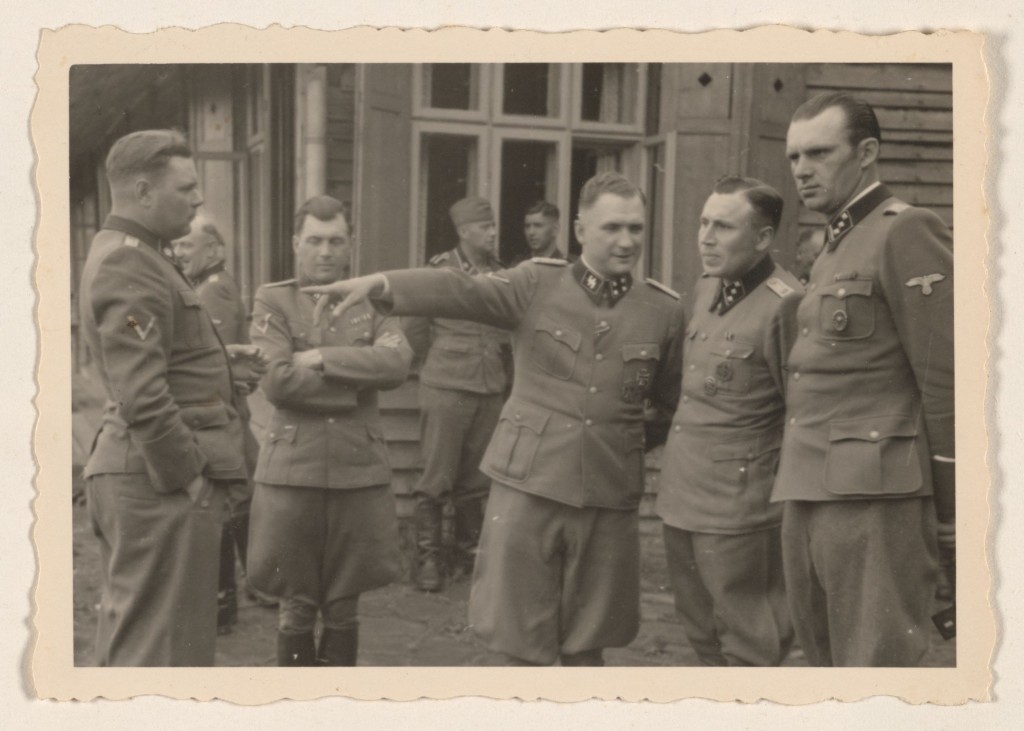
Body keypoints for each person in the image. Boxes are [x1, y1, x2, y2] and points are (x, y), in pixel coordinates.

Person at [305, 172, 686, 666]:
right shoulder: (536, 283)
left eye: (635, 228)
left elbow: (670, 404)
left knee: (590, 645)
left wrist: (618, 442)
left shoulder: (662, 310)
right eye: (612, 227)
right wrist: (379, 283)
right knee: (520, 641)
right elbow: (459, 289)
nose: (626, 241)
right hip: (530, 487)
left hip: (607, 494)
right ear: (579, 230)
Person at [776, 92, 954, 666]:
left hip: (876, 501)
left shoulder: (905, 231)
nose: (802, 170)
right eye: (794, 157)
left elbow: (946, 380)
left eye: (820, 153)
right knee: (826, 665)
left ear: (867, 152)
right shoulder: (833, 244)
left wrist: (953, 513)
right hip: (808, 487)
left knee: (875, 673)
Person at [78, 129, 265, 666]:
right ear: (142, 191)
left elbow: (155, 358)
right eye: (186, 188)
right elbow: (141, 392)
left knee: (143, 643)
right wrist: (189, 479)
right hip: (158, 484)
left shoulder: (138, 256)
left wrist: (223, 365)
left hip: (145, 477)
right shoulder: (129, 263)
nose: (198, 199)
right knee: (160, 656)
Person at [245, 195, 413, 666]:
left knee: (343, 604)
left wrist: (322, 358)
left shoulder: (374, 302)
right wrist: (356, 382)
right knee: (296, 605)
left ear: (350, 245)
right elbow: (277, 381)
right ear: (295, 243)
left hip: (356, 471)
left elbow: (397, 363)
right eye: (315, 241)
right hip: (293, 473)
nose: (325, 252)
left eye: (336, 241)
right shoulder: (273, 299)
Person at [656, 176, 801, 666]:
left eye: (723, 226)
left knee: (750, 641)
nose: (706, 238)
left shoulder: (787, 304)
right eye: (703, 223)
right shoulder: (705, 288)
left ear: (762, 238)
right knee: (700, 631)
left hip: (741, 508)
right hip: (682, 494)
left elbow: (801, 413)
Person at [401, 197, 511, 591]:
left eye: (493, 225)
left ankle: (468, 555)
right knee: (436, 477)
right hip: (446, 387)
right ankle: (428, 559)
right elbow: (415, 328)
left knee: (477, 480)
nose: (493, 233)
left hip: (489, 387)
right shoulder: (441, 272)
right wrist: (437, 363)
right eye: (485, 227)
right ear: (464, 231)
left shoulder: (501, 273)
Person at [173, 214, 270, 634]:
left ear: (213, 250)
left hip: (219, 414)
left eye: (188, 246)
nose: (179, 252)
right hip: (219, 412)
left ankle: (227, 601)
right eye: (178, 245)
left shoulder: (214, 290)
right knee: (235, 500)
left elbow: (215, 359)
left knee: (226, 503)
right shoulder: (200, 286)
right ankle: (253, 587)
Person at [512, 200, 564, 265]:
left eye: (538, 226)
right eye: (527, 226)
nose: (531, 232)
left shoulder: (567, 267)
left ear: (555, 229)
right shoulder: (518, 265)